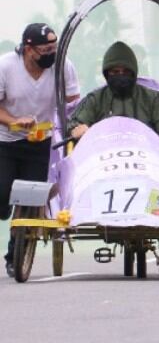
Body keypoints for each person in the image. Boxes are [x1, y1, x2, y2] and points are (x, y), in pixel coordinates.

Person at [67, 41, 159, 271]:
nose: (120, 76)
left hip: (146, 161)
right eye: (114, 72)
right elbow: (74, 122)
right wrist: (80, 130)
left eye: (125, 72)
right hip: (105, 163)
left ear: (133, 73)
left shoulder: (152, 98)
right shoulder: (95, 99)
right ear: (106, 74)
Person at [0, 23, 80, 277]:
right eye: (45, 49)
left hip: (42, 141)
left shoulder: (63, 66)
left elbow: (73, 102)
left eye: (54, 48)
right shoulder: (6, 67)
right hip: (7, 141)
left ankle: (16, 253)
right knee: (3, 192)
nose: (51, 53)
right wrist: (13, 120)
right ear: (28, 49)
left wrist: (73, 126)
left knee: (31, 198)